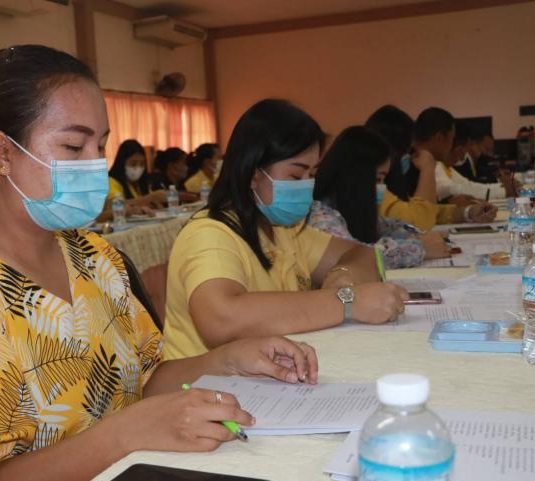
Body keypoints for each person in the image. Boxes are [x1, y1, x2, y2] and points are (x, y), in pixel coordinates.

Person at [0, 45, 320, 481]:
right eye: (74, 148)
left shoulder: (93, 257)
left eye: (101, 146)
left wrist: (227, 360)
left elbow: (144, 376)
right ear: (3, 152)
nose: (94, 164)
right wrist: (122, 437)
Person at [162, 99, 408, 360]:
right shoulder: (209, 234)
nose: (307, 185)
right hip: (201, 391)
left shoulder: (284, 229)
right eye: (295, 176)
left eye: (312, 174)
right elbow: (221, 318)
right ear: (252, 174)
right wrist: (346, 302)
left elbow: (363, 255)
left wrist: (343, 278)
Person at [310, 126, 450, 269]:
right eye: (377, 179)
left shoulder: (347, 207)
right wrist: (420, 247)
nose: (382, 187)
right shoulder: (321, 217)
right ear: (355, 176)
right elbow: (354, 257)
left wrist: (418, 236)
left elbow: (389, 226)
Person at [377, 107, 496, 230]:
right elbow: (419, 221)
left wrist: (467, 212)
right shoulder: (415, 165)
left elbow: (423, 211)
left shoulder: (415, 164)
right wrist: (427, 168)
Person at [435, 125, 509, 203]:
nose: (463, 157)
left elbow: (467, 184)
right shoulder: (437, 165)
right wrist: (501, 191)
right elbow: (453, 189)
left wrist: (500, 188)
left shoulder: (447, 166)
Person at [107, 139, 167, 207]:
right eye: (133, 164)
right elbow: (114, 206)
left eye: (142, 164)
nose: (138, 168)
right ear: (122, 163)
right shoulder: (111, 182)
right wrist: (149, 198)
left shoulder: (139, 183)